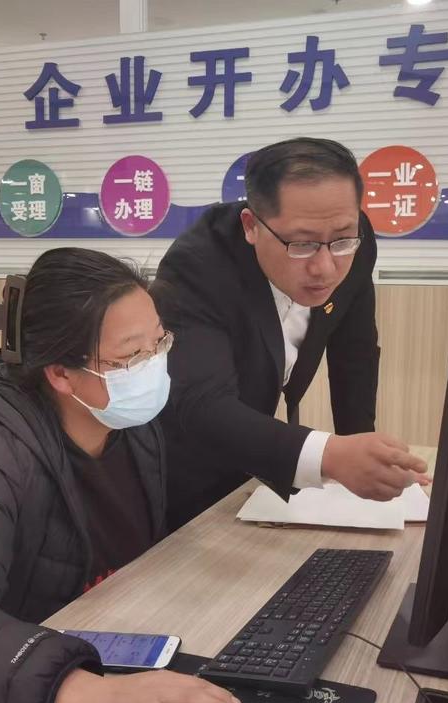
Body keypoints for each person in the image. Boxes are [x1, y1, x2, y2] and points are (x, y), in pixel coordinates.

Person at [0, 248, 241, 703]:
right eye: (132, 355)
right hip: (23, 679)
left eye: (159, 342)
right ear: (60, 373)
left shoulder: (131, 424)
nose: (153, 365)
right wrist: (83, 692)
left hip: (116, 641)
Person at [156, 137, 429, 530]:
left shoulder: (354, 239)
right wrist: (331, 456)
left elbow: (355, 354)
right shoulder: (199, 266)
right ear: (251, 226)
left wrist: (366, 459)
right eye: (301, 244)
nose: (325, 268)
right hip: (187, 467)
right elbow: (202, 403)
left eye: (342, 239)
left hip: (256, 460)